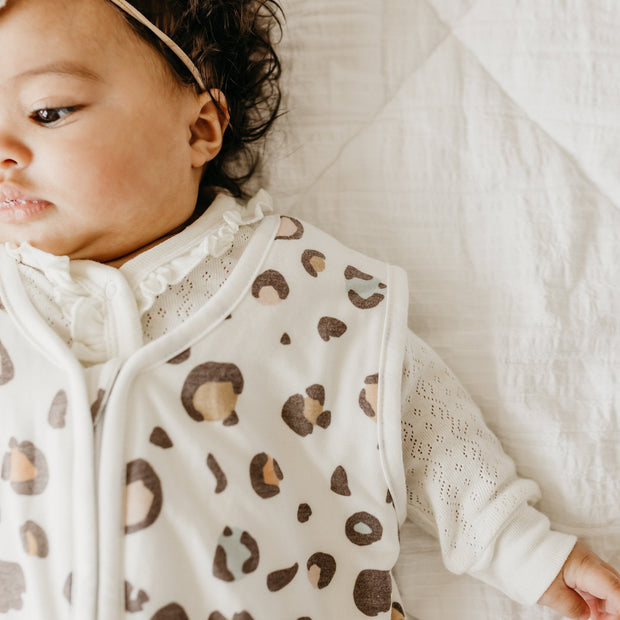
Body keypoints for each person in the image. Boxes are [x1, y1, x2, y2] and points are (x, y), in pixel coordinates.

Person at [0, 0, 618, 619]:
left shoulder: (302, 289)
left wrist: (527, 550)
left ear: (198, 129)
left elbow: (423, 431)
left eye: (48, 112)